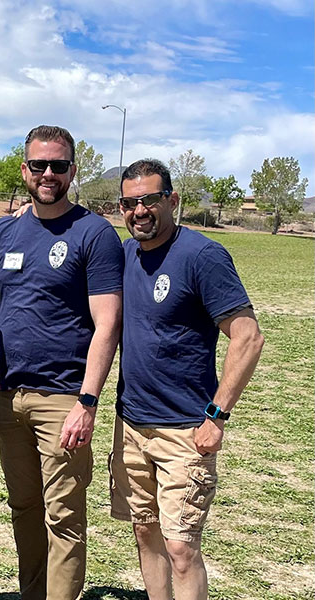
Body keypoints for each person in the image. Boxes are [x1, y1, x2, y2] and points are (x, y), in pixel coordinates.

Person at [0, 125, 124, 600]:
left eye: (59, 165)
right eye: (39, 165)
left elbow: (108, 324)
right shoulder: (4, 230)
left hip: (64, 401)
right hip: (9, 398)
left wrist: (88, 401)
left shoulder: (93, 233)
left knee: (64, 519)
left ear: (73, 170)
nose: (48, 173)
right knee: (24, 510)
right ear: (25, 170)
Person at [110, 159, 264, 600]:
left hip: (186, 431)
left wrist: (216, 416)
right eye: (129, 202)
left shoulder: (202, 255)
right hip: (132, 426)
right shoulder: (125, 254)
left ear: (172, 201)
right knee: (145, 532)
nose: (139, 211)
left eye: (149, 200)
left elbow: (248, 337)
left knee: (181, 546)